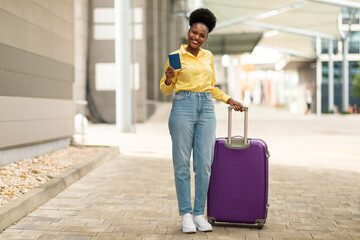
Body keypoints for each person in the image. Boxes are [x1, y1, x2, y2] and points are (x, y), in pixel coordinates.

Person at [160, 8, 244, 233]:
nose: (196, 37)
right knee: (181, 164)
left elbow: (211, 87)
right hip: (183, 107)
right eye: (194, 32)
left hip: (207, 108)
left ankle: (199, 214)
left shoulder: (208, 57)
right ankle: (186, 214)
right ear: (188, 31)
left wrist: (229, 99)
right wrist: (168, 79)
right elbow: (165, 90)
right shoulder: (176, 56)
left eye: (202, 35)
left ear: (207, 38)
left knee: (204, 165)